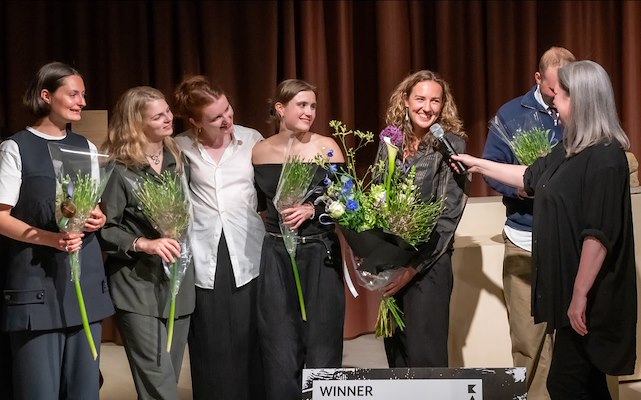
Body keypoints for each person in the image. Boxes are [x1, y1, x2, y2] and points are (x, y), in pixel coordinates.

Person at [454, 60, 637, 400]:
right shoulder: (570, 150)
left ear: (583, 101)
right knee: (584, 384)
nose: (554, 103)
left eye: (562, 97)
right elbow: (528, 176)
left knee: (567, 383)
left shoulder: (606, 159)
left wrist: (579, 295)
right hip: (569, 287)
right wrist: (477, 164)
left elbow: (598, 235)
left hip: (589, 294)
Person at [0, 61, 113, 399]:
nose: (82, 102)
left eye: (83, 95)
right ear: (46, 95)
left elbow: (92, 206)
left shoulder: (85, 146)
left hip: (83, 283)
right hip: (36, 287)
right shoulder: (16, 147)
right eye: (74, 94)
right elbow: (1, 216)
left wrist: (98, 218)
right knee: (39, 391)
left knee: (84, 390)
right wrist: (50, 238)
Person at [482, 46, 575, 399]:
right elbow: (491, 168)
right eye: (552, 88)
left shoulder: (581, 111)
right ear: (537, 78)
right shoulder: (510, 114)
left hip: (570, 241)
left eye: (566, 88)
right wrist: (522, 189)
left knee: (572, 334)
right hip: (525, 239)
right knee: (528, 337)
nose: (558, 95)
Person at [98, 86, 195, 400]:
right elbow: (104, 229)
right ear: (136, 123)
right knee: (160, 386)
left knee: (166, 380)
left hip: (178, 286)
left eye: (167, 111)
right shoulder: (118, 169)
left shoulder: (179, 160)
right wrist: (143, 243)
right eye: (158, 116)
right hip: (137, 288)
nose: (169, 118)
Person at [173, 75, 265, 400]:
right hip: (204, 252)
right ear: (196, 122)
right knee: (210, 341)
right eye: (215, 117)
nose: (227, 119)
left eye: (227, 109)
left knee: (250, 335)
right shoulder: (180, 147)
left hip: (248, 250)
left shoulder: (252, 140)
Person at [252, 79, 345, 400]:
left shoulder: (327, 146)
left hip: (320, 254)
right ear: (280, 108)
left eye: (313, 106)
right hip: (277, 255)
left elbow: (347, 200)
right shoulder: (260, 151)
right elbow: (259, 206)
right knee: (279, 341)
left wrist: (312, 208)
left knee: (323, 342)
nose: (309, 112)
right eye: (301, 105)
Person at [376, 70, 468, 368]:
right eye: (420, 99)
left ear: (443, 105)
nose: (427, 108)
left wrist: (413, 269)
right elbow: (377, 194)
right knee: (398, 356)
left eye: (435, 101)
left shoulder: (451, 145)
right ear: (405, 100)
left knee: (425, 358)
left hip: (429, 265)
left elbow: (447, 218)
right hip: (393, 261)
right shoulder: (390, 140)